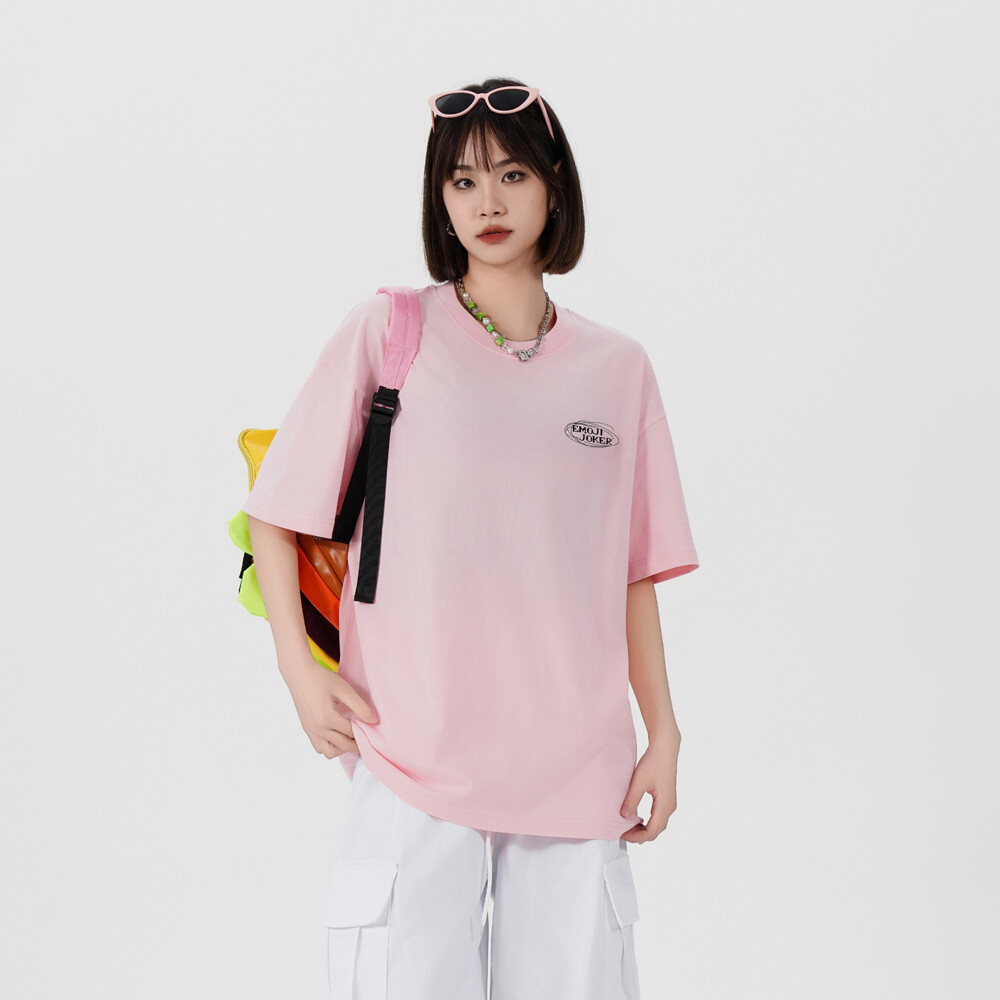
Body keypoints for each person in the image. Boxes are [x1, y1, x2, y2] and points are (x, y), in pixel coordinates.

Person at [242, 77, 700, 1000]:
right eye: (462, 181)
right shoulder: (392, 334)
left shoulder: (618, 370)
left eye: (512, 175)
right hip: (413, 746)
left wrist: (664, 732)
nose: (487, 202)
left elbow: (630, 575)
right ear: (439, 200)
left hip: (576, 766)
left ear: (555, 187)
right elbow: (277, 510)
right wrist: (299, 669)